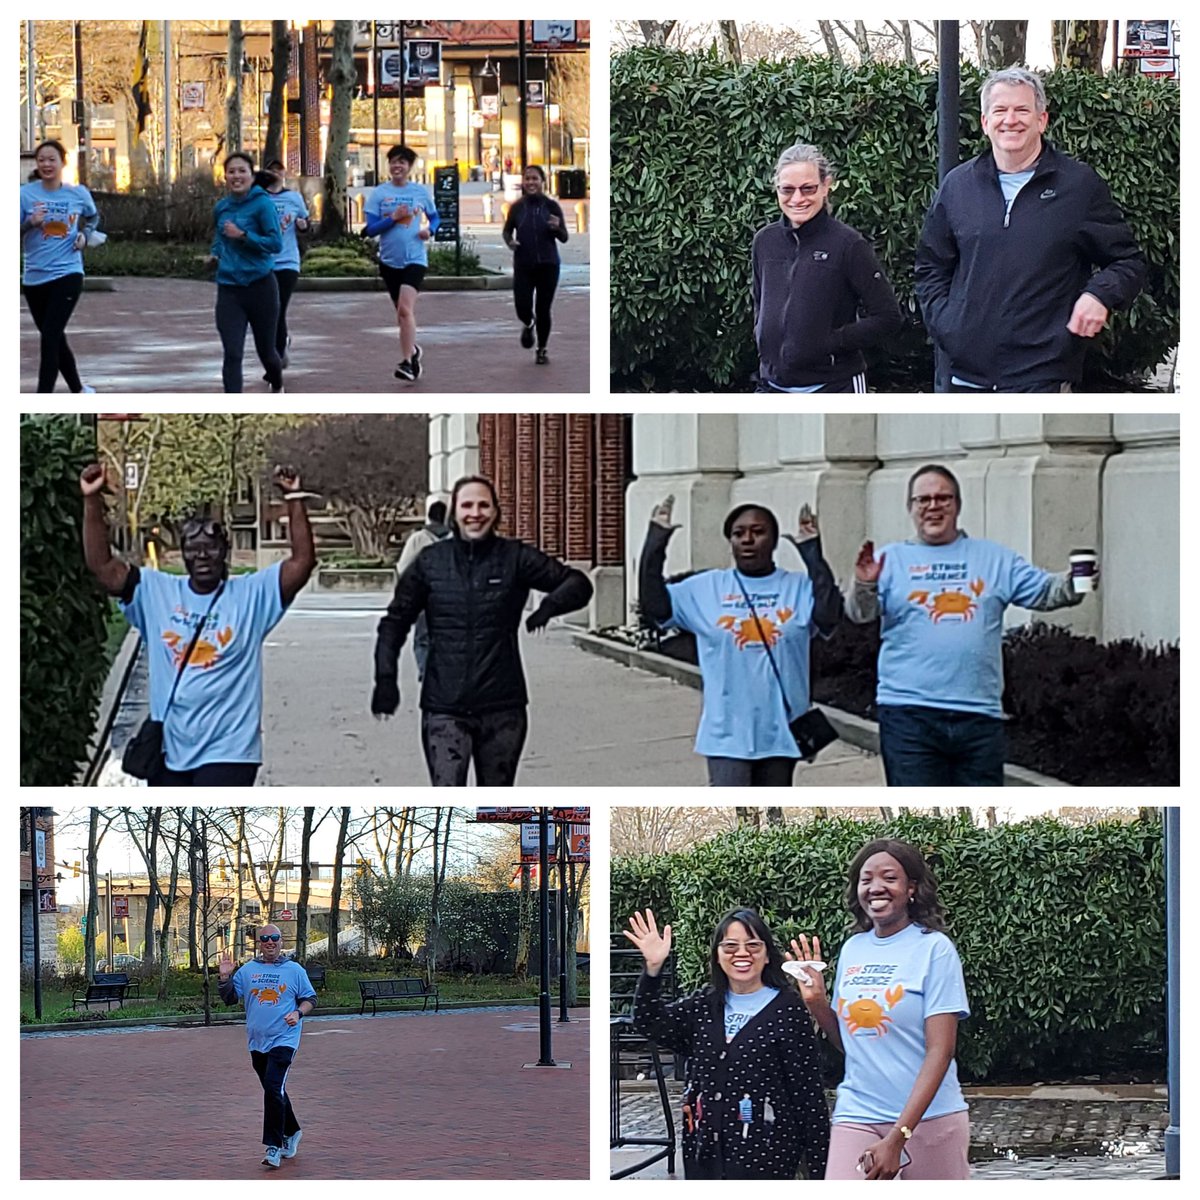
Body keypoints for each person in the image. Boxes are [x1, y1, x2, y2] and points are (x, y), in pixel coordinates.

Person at [846, 462, 1091, 786]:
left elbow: (1045, 592)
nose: (933, 506)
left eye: (943, 498)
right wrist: (864, 584)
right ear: (911, 508)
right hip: (909, 713)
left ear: (957, 505)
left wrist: (1076, 582)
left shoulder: (993, 559)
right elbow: (859, 614)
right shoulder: (890, 560)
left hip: (979, 715)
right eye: (923, 500)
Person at [80, 461, 316, 786]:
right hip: (169, 748)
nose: (202, 556)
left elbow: (302, 562)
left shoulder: (251, 595)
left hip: (230, 750)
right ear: (184, 555)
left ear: (225, 553)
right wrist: (92, 501)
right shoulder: (155, 591)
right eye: (194, 548)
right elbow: (103, 567)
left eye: (211, 548)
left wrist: (294, 498)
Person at [915, 66, 1146, 393]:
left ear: (1042, 120)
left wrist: (1099, 295)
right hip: (962, 378)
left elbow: (1128, 262)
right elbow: (931, 266)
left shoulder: (1078, 187)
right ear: (985, 123)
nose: (1011, 119)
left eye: (1022, 110)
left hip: (1041, 376)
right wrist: (948, 324)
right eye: (1000, 111)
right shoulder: (958, 186)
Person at [371, 474, 593, 786]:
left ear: (495, 511)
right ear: (455, 512)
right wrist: (385, 679)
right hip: (445, 706)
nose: (475, 513)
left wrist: (548, 608)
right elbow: (394, 622)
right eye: (467, 505)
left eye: (483, 505)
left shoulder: (514, 557)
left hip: (502, 706)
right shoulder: (431, 562)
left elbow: (578, 583)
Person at [789, 839, 970, 1180]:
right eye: (866, 879)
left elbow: (940, 1051)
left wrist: (899, 1136)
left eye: (889, 877)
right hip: (858, 1112)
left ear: (911, 889)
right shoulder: (853, 949)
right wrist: (817, 1003)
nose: (876, 887)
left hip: (929, 1121)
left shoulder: (935, 949)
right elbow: (852, 1044)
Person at [637, 495, 842, 786]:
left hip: (780, 731)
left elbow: (829, 616)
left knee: (771, 824)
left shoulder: (797, 587)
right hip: (726, 734)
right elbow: (655, 605)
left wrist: (812, 554)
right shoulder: (706, 588)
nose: (747, 539)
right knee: (735, 822)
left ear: (774, 541)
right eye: (738, 533)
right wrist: (656, 541)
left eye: (758, 532)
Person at [625, 907, 829, 1180]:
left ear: (767, 954)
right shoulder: (703, 1005)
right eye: (730, 946)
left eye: (753, 945)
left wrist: (821, 1171)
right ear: (718, 956)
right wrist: (653, 969)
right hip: (705, 1157)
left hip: (768, 1159)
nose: (742, 954)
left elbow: (808, 1095)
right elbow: (649, 1021)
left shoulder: (788, 1010)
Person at [753, 142, 902, 393]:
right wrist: (761, 335)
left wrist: (831, 342)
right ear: (776, 190)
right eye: (787, 190)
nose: (797, 198)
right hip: (772, 386)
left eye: (808, 188)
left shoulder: (848, 244)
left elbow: (887, 317)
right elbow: (759, 302)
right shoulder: (765, 241)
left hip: (835, 386)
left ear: (826, 186)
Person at [218, 925, 318, 1169]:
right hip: (257, 1041)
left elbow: (310, 999)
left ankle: (273, 1147)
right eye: (265, 939)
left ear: (281, 941)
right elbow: (230, 999)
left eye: (274, 938)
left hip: (284, 1039)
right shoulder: (248, 970)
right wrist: (224, 977)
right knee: (275, 1090)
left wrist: (298, 1013)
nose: (270, 942)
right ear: (259, 943)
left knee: (273, 1087)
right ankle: (293, 1130)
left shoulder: (294, 970)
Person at [20, 140, 101, 394]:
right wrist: (31, 222)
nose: (46, 164)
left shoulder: (77, 193)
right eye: (41, 159)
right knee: (54, 336)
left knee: (50, 336)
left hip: (68, 273)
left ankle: (42, 398)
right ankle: (79, 391)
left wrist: (85, 235)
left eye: (51, 159)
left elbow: (94, 216)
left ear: (62, 163)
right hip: (34, 278)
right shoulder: (24, 195)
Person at [208, 151, 285, 393]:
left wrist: (243, 236)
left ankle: (277, 382)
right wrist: (214, 254)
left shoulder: (263, 205)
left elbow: (275, 244)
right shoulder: (221, 208)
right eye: (231, 171)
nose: (236, 176)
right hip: (230, 289)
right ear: (225, 177)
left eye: (242, 171)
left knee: (267, 352)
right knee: (232, 352)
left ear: (252, 176)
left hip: (261, 286)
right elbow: (219, 239)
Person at [363, 145, 439, 383]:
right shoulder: (379, 194)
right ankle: (414, 351)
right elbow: (369, 230)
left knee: (406, 310)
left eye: (402, 163)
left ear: (409, 167)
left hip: (415, 259)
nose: (398, 166)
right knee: (401, 314)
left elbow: (435, 216)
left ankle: (406, 363)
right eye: (394, 162)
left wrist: (430, 230)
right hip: (389, 261)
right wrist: (392, 219)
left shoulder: (420, 192)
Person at [502, 165, 569, 365]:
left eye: (535, 179)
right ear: (523, 182)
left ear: (542, 182)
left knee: (543, 308)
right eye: (528, 179)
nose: (531, 182)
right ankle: (528, 323)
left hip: (548, 264)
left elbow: (564, 237)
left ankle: (542, 349)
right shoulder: (517, 207)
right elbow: (507, 231)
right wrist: (510, 242)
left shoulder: (551, 206)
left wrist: (556, 229)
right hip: (524, 263)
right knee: (522, 305)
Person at [258, 160, 309, 371]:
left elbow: (306, 224)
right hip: (264, 262)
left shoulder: (294, 198)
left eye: (279, 170)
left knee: (278, 307)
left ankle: (276, 357)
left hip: (288, 261)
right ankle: (280, 342)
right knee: (268, 310)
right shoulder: (259, 198)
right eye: (272, 170)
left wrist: (303, 226)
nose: (276, 174)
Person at [395, 497, 450, 680]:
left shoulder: (418, 538)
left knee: (423, 638)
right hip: (450, 596)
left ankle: (426, 671)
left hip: (425, 595)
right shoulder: (455, 538)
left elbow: (403, 567)